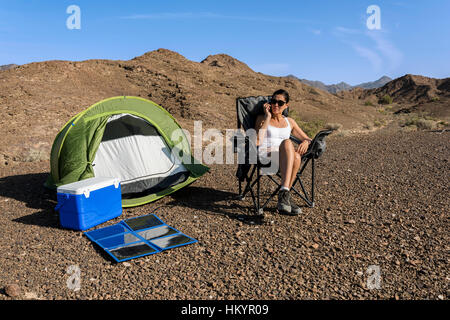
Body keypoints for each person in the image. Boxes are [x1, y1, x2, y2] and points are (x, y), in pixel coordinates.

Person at [255, 89, 312, 215]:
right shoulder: (262, 119)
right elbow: (257, 141)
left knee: (297, 157)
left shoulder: (289, 122)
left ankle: (284, 196)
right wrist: (268, 117)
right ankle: (285, 194)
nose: (276, 105)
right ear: (269, 103)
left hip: (286, 157)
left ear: (286, 105)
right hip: (266, 155)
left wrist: (306, 142)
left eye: (280, 103)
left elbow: (307, 138)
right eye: (273, 101)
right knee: (287, 142)